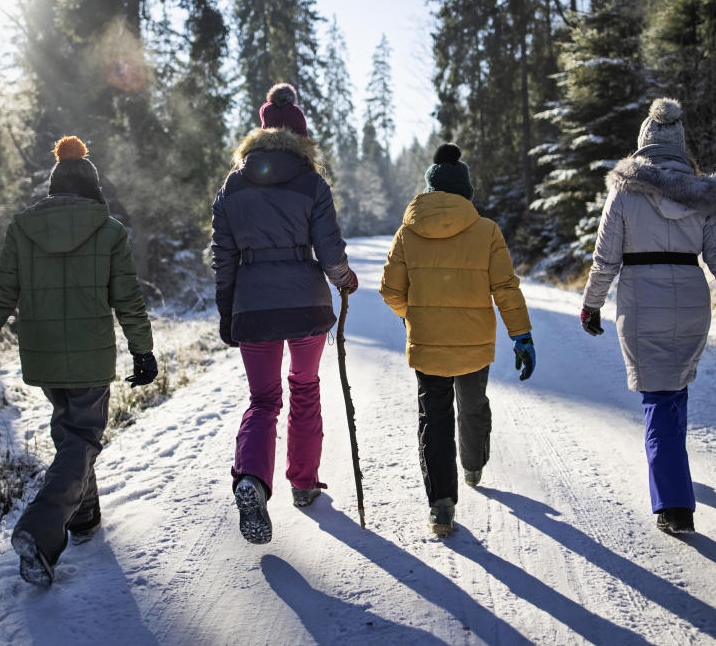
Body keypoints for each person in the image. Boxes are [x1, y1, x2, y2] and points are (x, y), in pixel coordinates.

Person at [0, 136, 159, 585]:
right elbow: (127, 299)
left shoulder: (24, 228)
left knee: (69, 432)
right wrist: (143, 350)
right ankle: (40, 531)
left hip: (43, 353)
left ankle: (84, 518)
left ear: (54, 185)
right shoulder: (109, 230)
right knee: (82, 438)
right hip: (89, 354)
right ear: (92, 187)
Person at [579, 98, 716, 535]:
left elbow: (605, 259)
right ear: (680, 146)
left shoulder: (624, 192)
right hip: (692, 299)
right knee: (675, 389)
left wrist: (592, 304)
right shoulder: (702, 196)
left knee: (657, 398)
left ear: (643, 145)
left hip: (642, 300)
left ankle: (674, 505)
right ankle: (675, 473)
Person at [211, 83, 358, 545]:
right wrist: (343, 280)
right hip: (306, 303)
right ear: (301, 136)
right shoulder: (312, 183)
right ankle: (302, 481)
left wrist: (226, 310)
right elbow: (329, 247)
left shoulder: (232, 187)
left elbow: (223, 257)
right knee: (305, 387)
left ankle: (252, 480)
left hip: (254, 305)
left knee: (263, 399)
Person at [380, 143, 534, 538]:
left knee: (434, 418)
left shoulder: (407, 233)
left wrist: (410, 315)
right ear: (466, 192)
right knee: (472, 404)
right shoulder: (486, 231)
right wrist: (522, 335)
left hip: (428, 343)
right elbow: (505, 287)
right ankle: (473, 465)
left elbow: (391, 291)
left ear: (431, 191)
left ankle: (441, 505)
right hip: (474, 343)